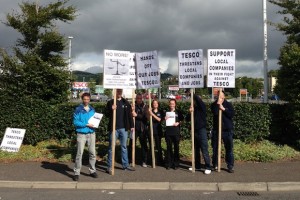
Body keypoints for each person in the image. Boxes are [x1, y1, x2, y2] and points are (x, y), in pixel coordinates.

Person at [106, 89, 135, 174]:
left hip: (123, 128)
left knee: (124, 147)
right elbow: (106, 114)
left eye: (120, 91)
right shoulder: (111, 102)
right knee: (111, 148)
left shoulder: (125, 102)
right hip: (114, 128)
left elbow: (129, 115)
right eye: (118, 91)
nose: (119, 93)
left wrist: (132, 126)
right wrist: (111, 109)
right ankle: (109, 166)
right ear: (115, 92)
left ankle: (125, 165)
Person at [73, 92, 98, 181]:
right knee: (79, 154)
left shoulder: (92, 109)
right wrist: (86, 124)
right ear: (82, 99)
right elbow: (75, 122)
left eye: (88, 99)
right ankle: (76, 172)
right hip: (81, 134)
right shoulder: (78, 110)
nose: (86, 101)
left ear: (89, 99)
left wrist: (95, 124)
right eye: (85, 99)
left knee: (92, 153)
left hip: (91, 133)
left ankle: (92, 170)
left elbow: (95, 121)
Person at [211, 90, 235, 173]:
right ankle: (215, 164)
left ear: (224, 96)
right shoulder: (214, 105)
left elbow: (231, 114)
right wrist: (218, 105)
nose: (219, 97)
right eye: (218, 96)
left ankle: (230, 165)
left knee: (229, 149)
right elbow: (214, 112)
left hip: (227, 131)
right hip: (216, 130)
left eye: (221, 96)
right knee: (215, 149)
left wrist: (224, 109)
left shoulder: (228, 104)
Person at [188, 94, 211, 175]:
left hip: (201, 130)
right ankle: (197, 165)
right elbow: (188, 119)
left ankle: (208, 167)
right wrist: (190, 111)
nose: (194, 101)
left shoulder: (202, 108)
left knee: (204, 149)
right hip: (195, 131)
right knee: (195, 149)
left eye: (195, 100)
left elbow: (198, 100)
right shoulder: (194, 108)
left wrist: (192, 93)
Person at [128, 93, 149, 167]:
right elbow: (129, 116)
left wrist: (137, 115)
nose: (139, 100)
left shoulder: (145, 106)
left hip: (142, 129)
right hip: (134, 128)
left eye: (140, 98)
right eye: (138, 98)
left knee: (143, 145)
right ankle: (130, 160)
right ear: (136, 98)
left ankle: (144, 161)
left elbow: (146, 117)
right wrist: (131, 111)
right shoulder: (133, 106)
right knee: (131, 145)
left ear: (142, 99)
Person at [165, 99, 184, 170]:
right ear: (169, 104)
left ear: (175, 104)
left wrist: (178, 123)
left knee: (176, 148)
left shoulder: (178, 112)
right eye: (170, 104)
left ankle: (176, 164)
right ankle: (169, 163)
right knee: (169, 148)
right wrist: (165, 119)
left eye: (173, 104)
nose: (172, 105)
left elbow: (182, 120)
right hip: (168, 132)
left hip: (176, 132)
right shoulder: (166, 112)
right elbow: (163, 121)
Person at [147, 99, 164, 166]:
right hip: (150, 131)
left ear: (158, 104)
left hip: (158, 131)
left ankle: (160, 161)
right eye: (154, 103)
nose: (155, 104)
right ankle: (152, 160)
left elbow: (159, 119)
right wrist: (149, 113)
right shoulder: (150, 111)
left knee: (158, 146)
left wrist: (152, 114)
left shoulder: (161, 112)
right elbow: (147, 119)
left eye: (156, 103)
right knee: (151, 146)